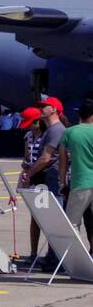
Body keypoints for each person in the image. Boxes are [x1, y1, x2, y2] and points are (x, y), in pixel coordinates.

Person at [59, 98, 93, 251]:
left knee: (72, 224)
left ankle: (78, 258)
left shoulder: (69, 133)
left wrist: (63, 184)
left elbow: (63, 162)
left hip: (80, 183)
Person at [17, 106, 46, 262]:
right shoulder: (28, 136)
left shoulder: (47, 136)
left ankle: (50, 254)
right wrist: (25, 164)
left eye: (30, 123)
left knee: (44, 217)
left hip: (42, 181)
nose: (28, 126)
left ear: (38, 121)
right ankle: (33, 252)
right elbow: (27, 156)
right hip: (31, 179)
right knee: (34, 216)